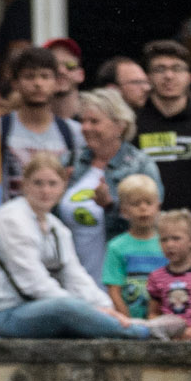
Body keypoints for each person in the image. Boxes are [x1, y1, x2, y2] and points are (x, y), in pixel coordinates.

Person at [0, 153, 178, 340]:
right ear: (25, 184)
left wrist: (107, 308)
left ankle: (129, 324)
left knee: (74, 308)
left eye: (52, 184)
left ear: (63, 187)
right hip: (10, 313)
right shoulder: (11, 219)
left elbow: (75, 275)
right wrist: (89, 310)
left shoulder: (57, 227)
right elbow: (33, 282)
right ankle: (142, 332)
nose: (45, 191)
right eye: (38, 183)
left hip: (45, 307)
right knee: (66, 308)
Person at [65, 86, 157, 274]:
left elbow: (151, 224)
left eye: (94, 121)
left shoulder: (140, 166)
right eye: (83, 121)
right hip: (72, 279)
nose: (85, 128)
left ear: (120, 125)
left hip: (124, 276)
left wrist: (110, 206)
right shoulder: (70, 161)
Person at [133, 41, 191, 212]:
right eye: (160, 69)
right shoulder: (133, 126)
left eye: (177, 68)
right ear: (148, 77)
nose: (168, 76)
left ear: (189, 77)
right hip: (145, 223)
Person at [0, 47, 82, 193]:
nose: (38, 83)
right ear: (15, 83)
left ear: (56, 83)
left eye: (45, 76)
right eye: (29, 76)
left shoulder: (74, 132)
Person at [99, 173, 165, 318]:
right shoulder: (116, 246)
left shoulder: (166, 243)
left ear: (158, 206)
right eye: (136, 204)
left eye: (149, 203)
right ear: (123, 211)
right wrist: (127, 320)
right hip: (131, 321)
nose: (143, 208)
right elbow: (114, 290)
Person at [144, 212, 191, 339]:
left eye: (176, 238)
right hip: (170, 341)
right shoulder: (156, 277)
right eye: (164, 240)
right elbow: (153, 313)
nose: (169, 245)